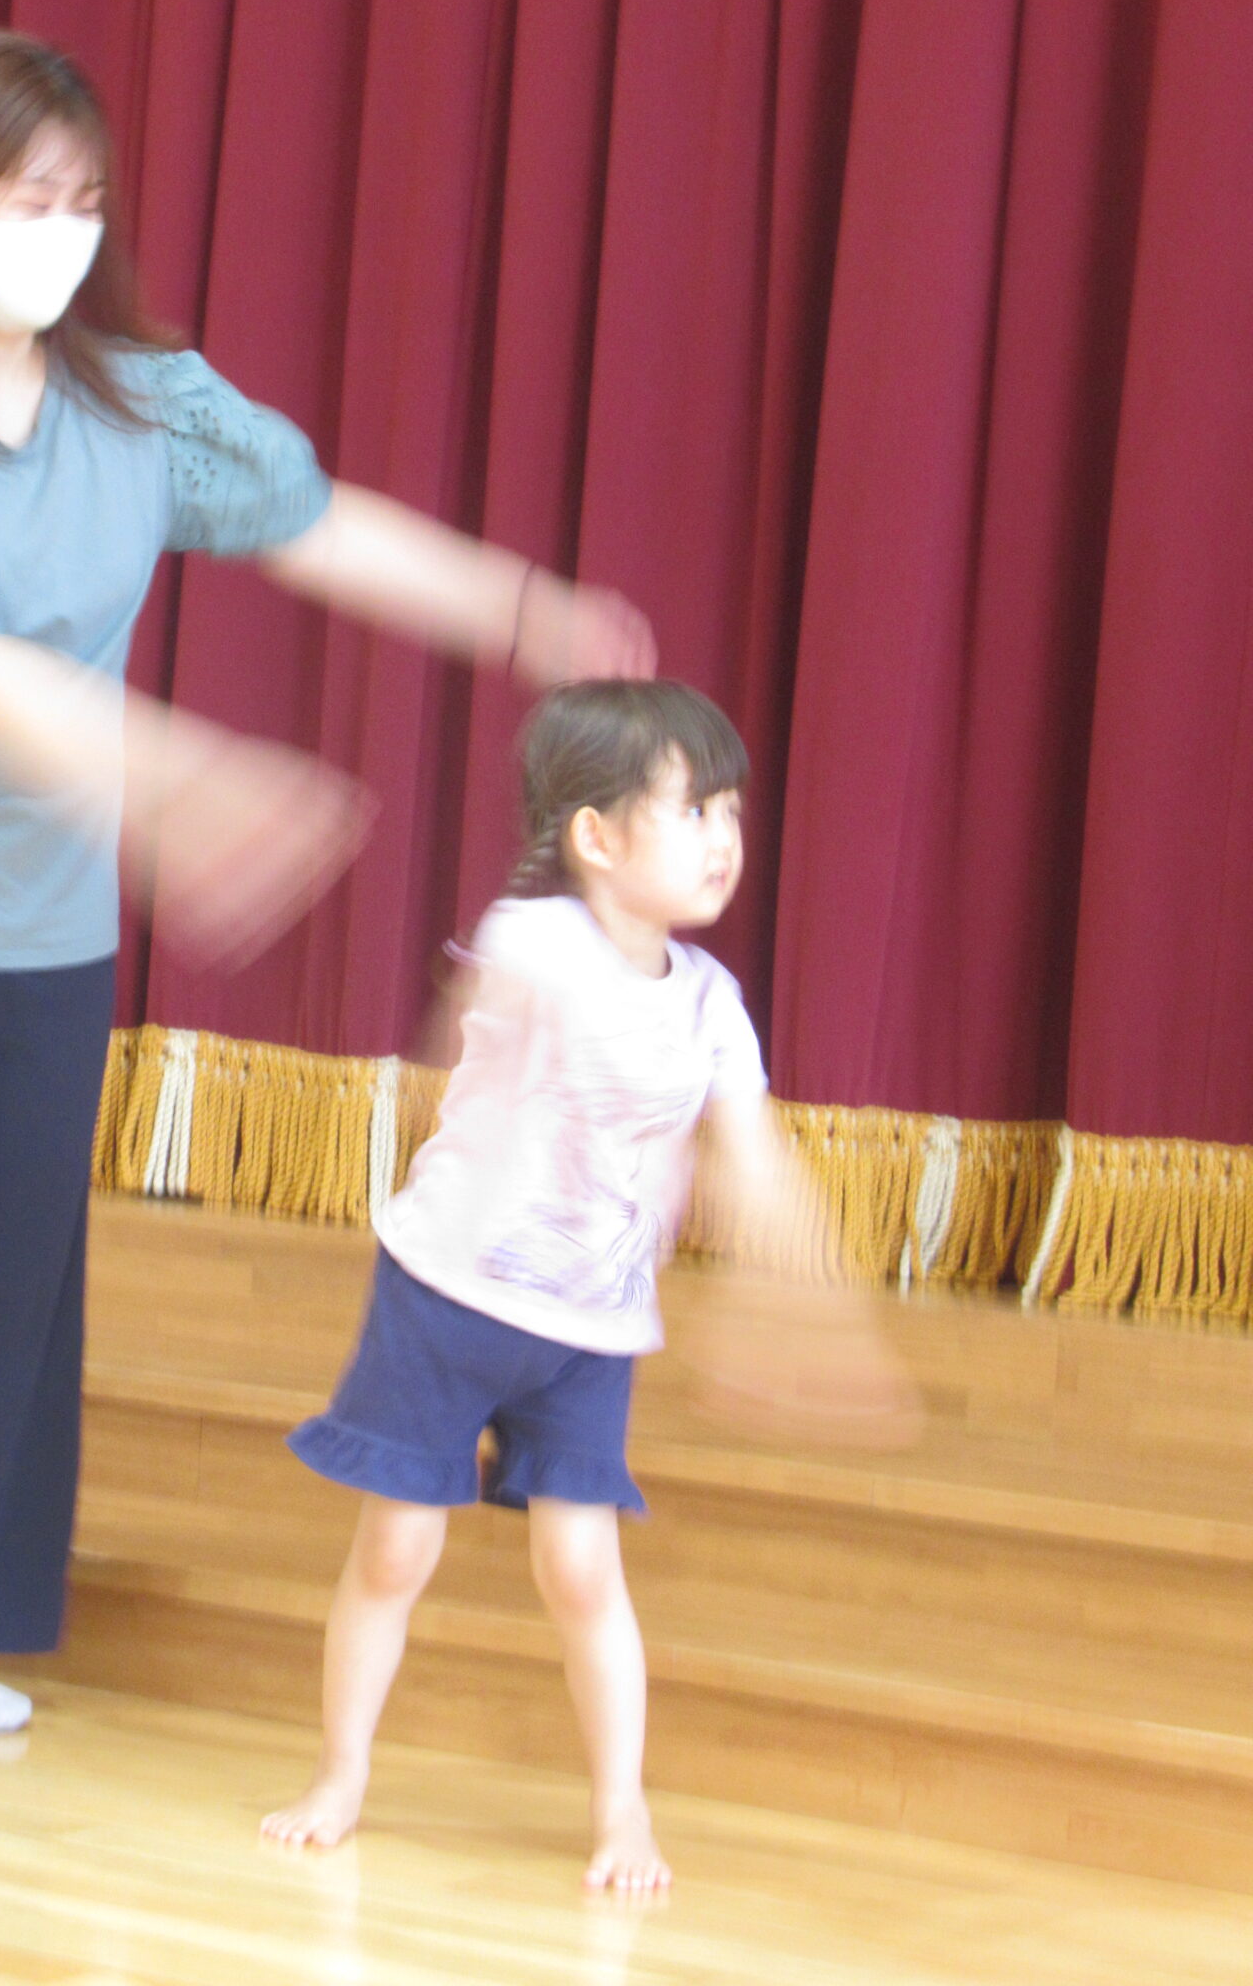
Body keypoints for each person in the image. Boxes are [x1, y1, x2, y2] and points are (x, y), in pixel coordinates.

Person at [0, 29, 657, 1739]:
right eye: (24, 197)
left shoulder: (141, 404)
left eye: (83, 201)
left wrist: (524, 609)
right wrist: (185, 778)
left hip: (35, 937)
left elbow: (313, 521)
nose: (61, 232)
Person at [261, 679, 911, 1891]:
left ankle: (623, 1812)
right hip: (447, 1299)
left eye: (733, 810)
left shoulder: (713, 1006)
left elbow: (755, 1155)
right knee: (396, 1550)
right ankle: (340, 1775)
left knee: (581, 1571)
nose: (725, 836)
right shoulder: (535, 940)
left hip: (590, 1330)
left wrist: (809, 1291)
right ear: (597, 837)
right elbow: (515, 1016)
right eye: (693, 809)